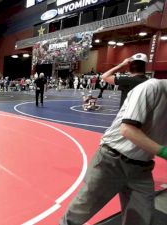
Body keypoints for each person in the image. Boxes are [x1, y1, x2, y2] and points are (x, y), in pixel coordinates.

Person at [60, 79, 167, 225]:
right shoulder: (151, 88)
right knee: (78, 214)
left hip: (142, 168)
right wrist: (163, 152)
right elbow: (127, 130)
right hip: (111, 161)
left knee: (141, 218)